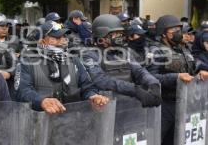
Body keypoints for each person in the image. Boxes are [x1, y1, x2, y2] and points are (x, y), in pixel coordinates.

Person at [16, 20, 109, 114]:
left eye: (64, 36)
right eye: (57, 37)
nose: (63, 40)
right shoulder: (27, 62)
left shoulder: (74, 60)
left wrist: (93, 95)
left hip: (73, 120)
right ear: (42, 41)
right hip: (42, 122)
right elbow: (22, 92)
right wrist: (41, 101)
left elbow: (87, 86)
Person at [82, 14, 161, 107]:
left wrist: (153, 83)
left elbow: (139, 71)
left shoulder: (125, 52)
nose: (119, 37)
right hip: (105, 108)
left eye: (120, 34)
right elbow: (101, 80)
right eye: (115, 34)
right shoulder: (89, 55)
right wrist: (135, 90)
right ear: (102, 35)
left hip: (129, 106)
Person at [147, 15, 194, 145]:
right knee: (157, 139)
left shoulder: (183, 49)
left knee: (178, 139)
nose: (178, 32)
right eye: (173, 29)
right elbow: (151, 77)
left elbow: (190, 70)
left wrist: (199, 73)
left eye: (179, 28)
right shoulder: (156, 51)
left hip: (182, 103)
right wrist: (176, 77)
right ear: (163, 34)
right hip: (164, 105)